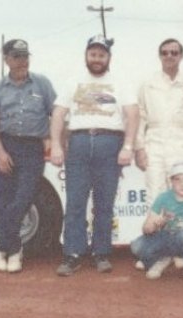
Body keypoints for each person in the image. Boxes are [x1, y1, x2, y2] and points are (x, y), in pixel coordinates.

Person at [50, 34, 139, 276]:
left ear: (108, 57)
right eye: (93, 54)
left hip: (109, 142)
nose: (97, 59)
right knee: (76, 201)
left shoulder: (121, 81)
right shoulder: (73, 81)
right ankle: (72, 253)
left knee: (104, 202)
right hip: (78, 142)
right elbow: (59, 114)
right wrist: (57, 145)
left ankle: (101, 253)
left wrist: (128, 146)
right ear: (86, 56)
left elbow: (132, 114)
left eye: (101, 54)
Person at [0, 39, 56, 273]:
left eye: (25, 56)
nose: (22, 61)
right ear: (7, 59)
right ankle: (14, 249)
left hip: (32, 148)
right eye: (17, 57)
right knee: (1, 201)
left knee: (24, 198)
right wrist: (0, 152)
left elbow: (56, 114)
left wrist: (55, 140)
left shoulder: (42, 84)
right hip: (6, 145)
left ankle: (3, 247)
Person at [135, 38, 183, 206]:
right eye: (164, 53)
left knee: (181, 194)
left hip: (181, 145)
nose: (169, 56)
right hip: (154, 146)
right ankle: (156, 232)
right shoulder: (148, 84)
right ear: (159, 56)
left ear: (181, 56)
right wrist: (139, 148)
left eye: (174, 52)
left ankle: (181, 233)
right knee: (155, 196)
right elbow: (140, 117)